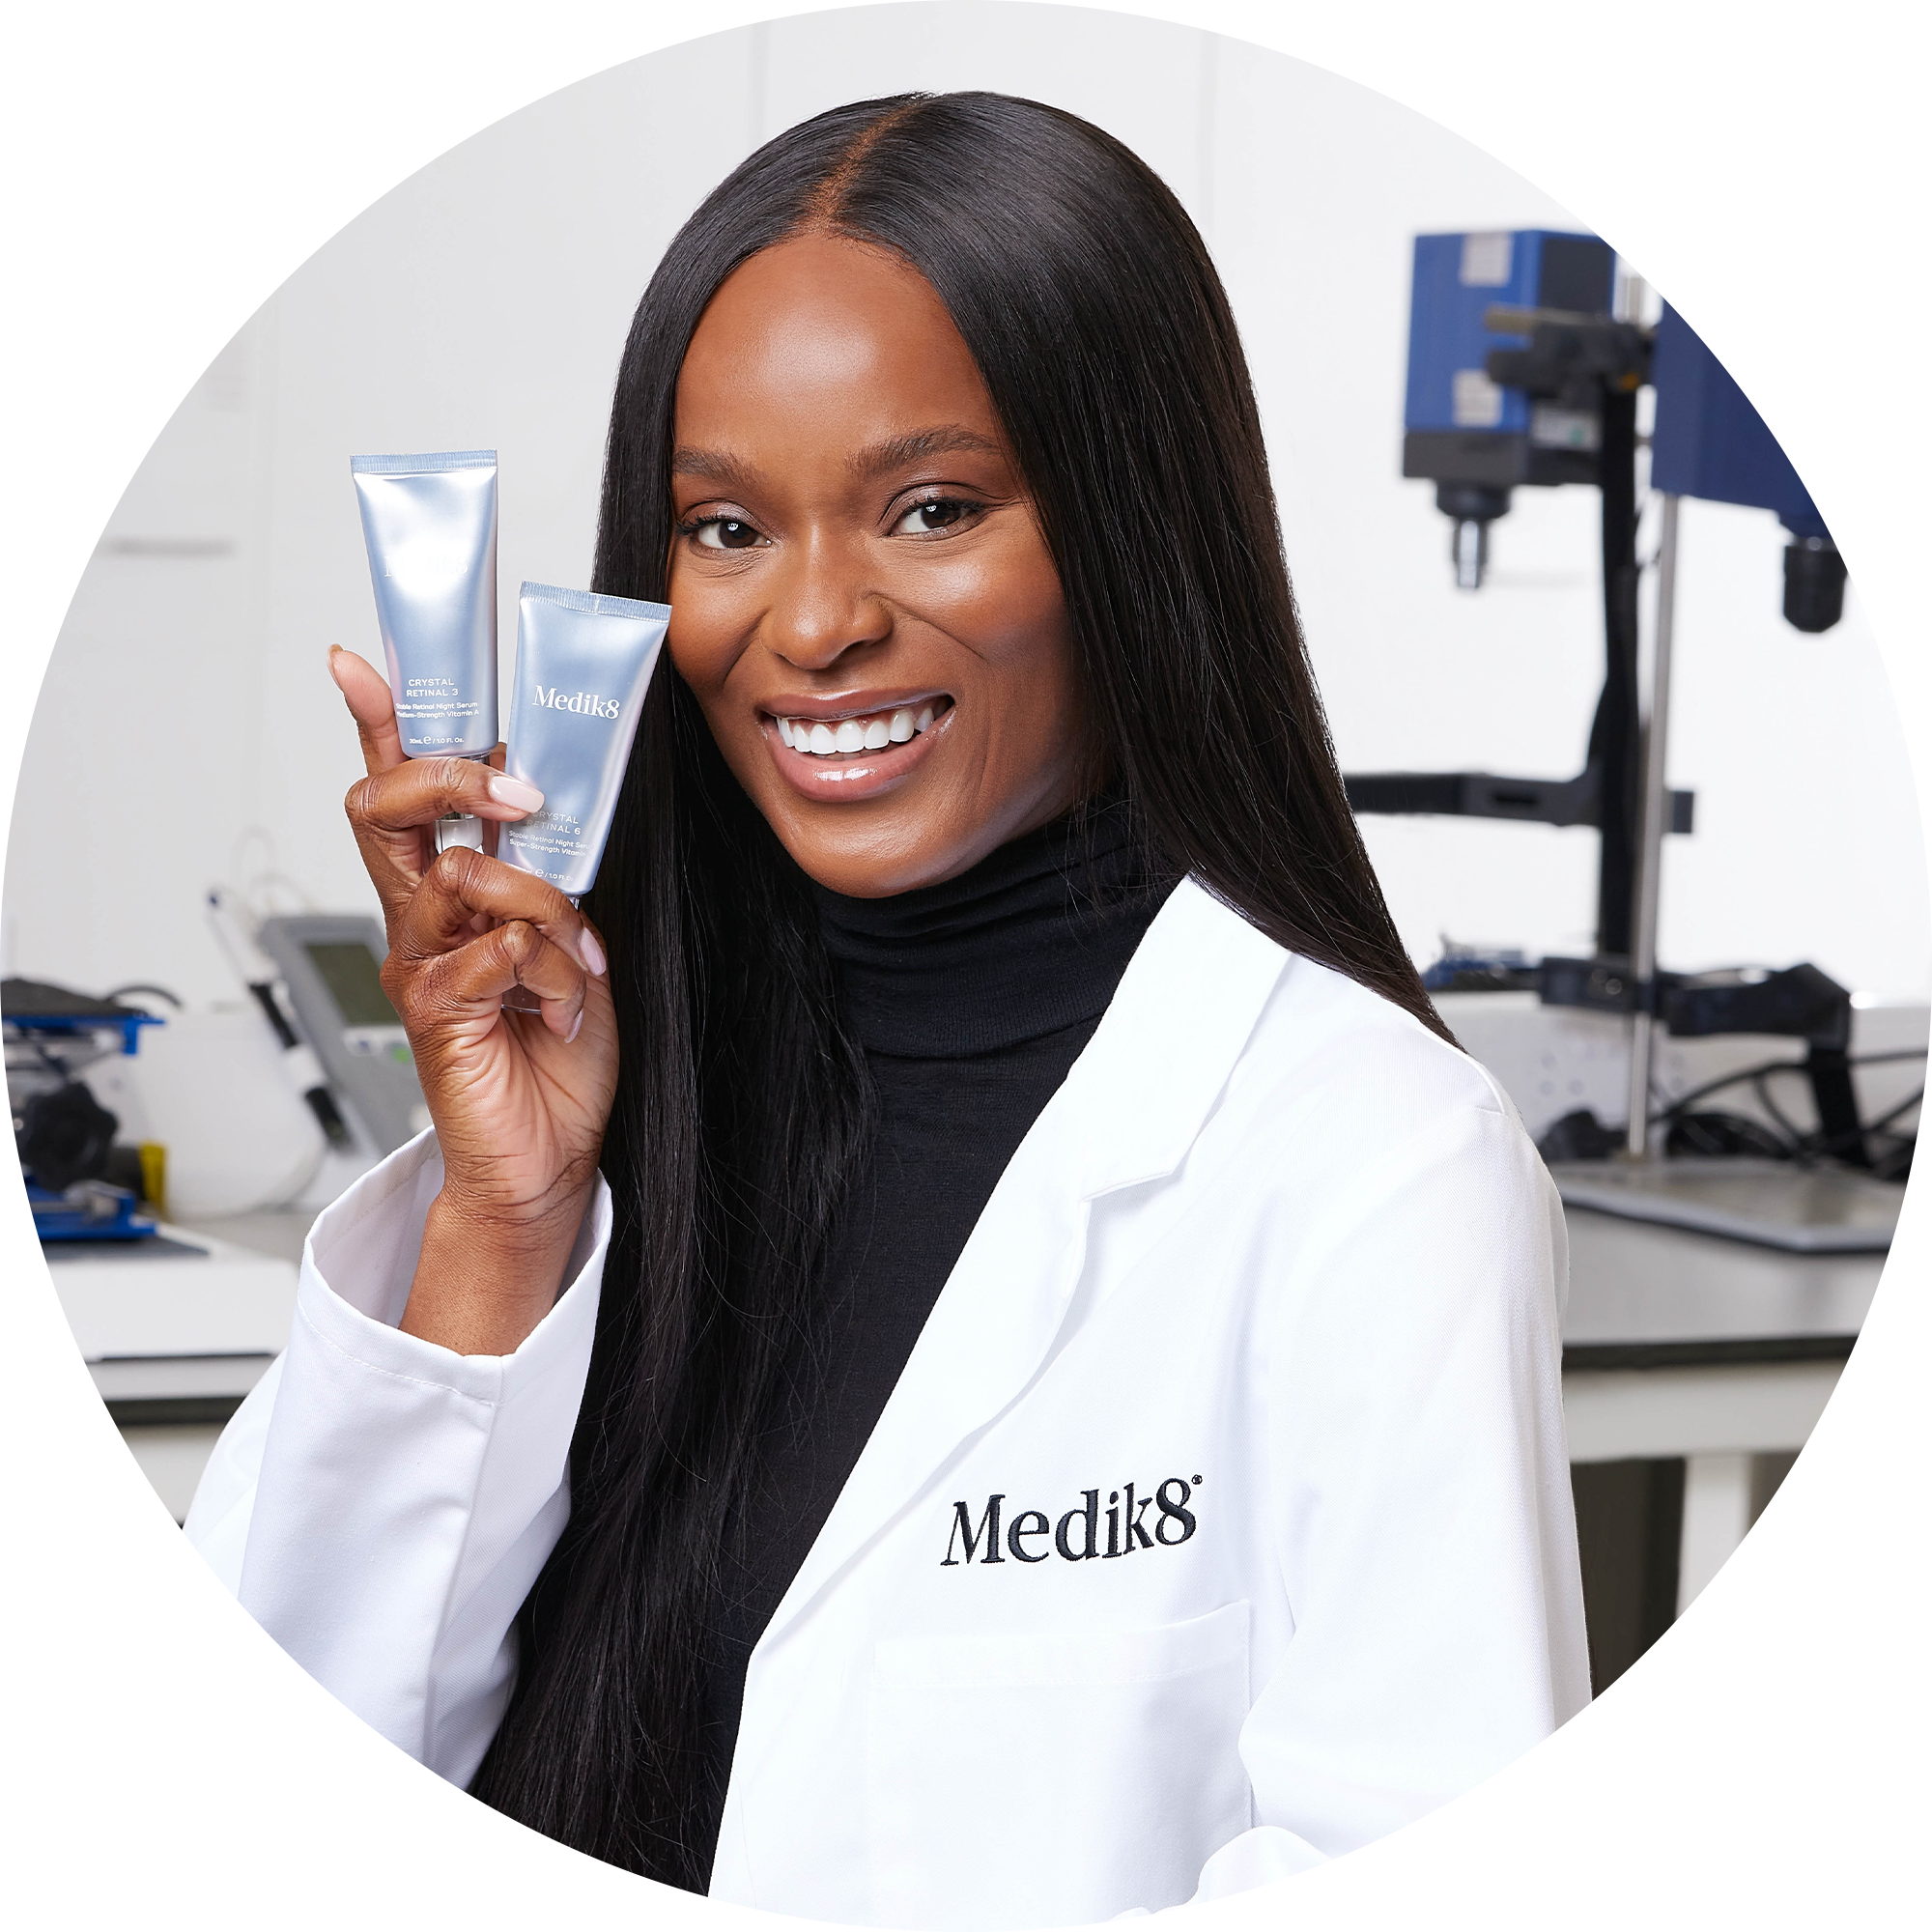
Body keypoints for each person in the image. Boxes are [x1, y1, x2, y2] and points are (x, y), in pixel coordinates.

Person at [134, 91, 1596, 1932]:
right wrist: (501, 1231)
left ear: (1133, 527)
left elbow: (1437, 1896)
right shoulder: (621, 1104)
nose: (813, 625)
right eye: (726, 527)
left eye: (932, 509)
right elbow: (259, 1868)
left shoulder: (1359, 1160)